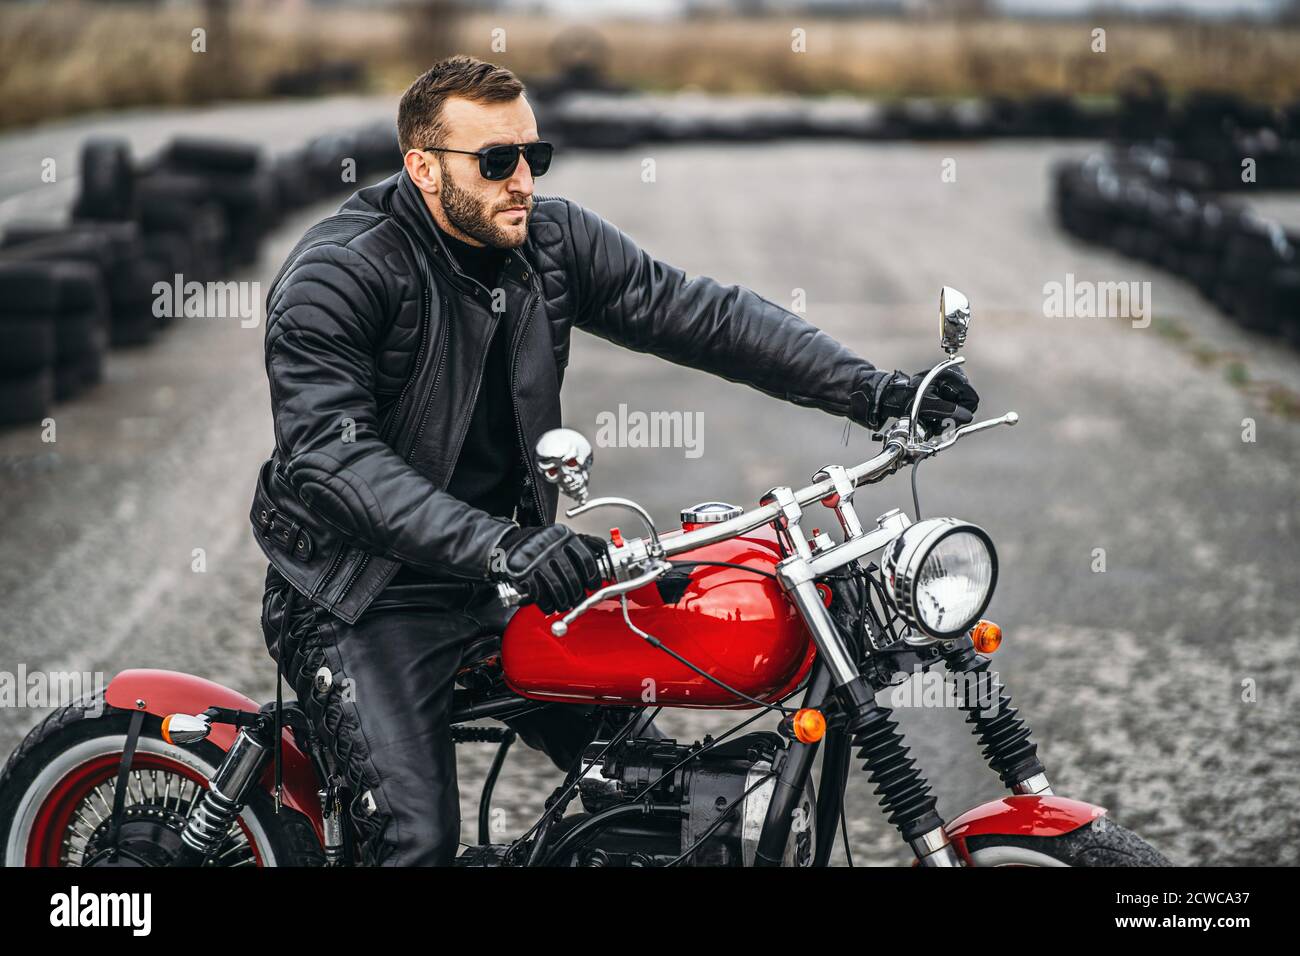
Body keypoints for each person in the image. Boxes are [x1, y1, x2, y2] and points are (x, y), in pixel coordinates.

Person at [252, 55, 979, 866]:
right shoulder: (341, 272)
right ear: (424, 166)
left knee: (655, 793)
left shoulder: (551, 243)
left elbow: (702, 315)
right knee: (415, 842)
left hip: (501, 579)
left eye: (534, 155)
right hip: (360, 595)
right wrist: (507, 544)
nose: (522, 178)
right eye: (496, 161)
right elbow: (330, 459)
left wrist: (873, 391)